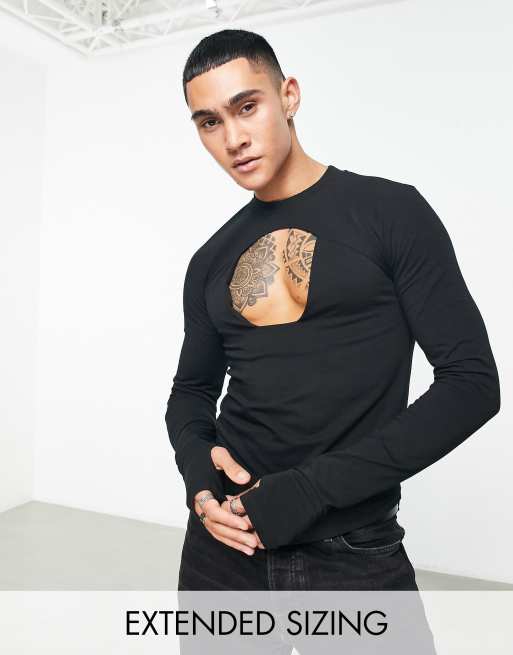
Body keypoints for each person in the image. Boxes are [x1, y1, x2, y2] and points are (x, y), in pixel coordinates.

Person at [164, 28, 500, 593]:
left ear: (289, 96)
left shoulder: (391, 212)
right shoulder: (210, 260)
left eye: (247, 107)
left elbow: (472, 385)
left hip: (351, 552)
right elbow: (191, 391)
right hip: (222, 549)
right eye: (209, 122)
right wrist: (199, 476)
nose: (234, 138)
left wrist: (311, 490)